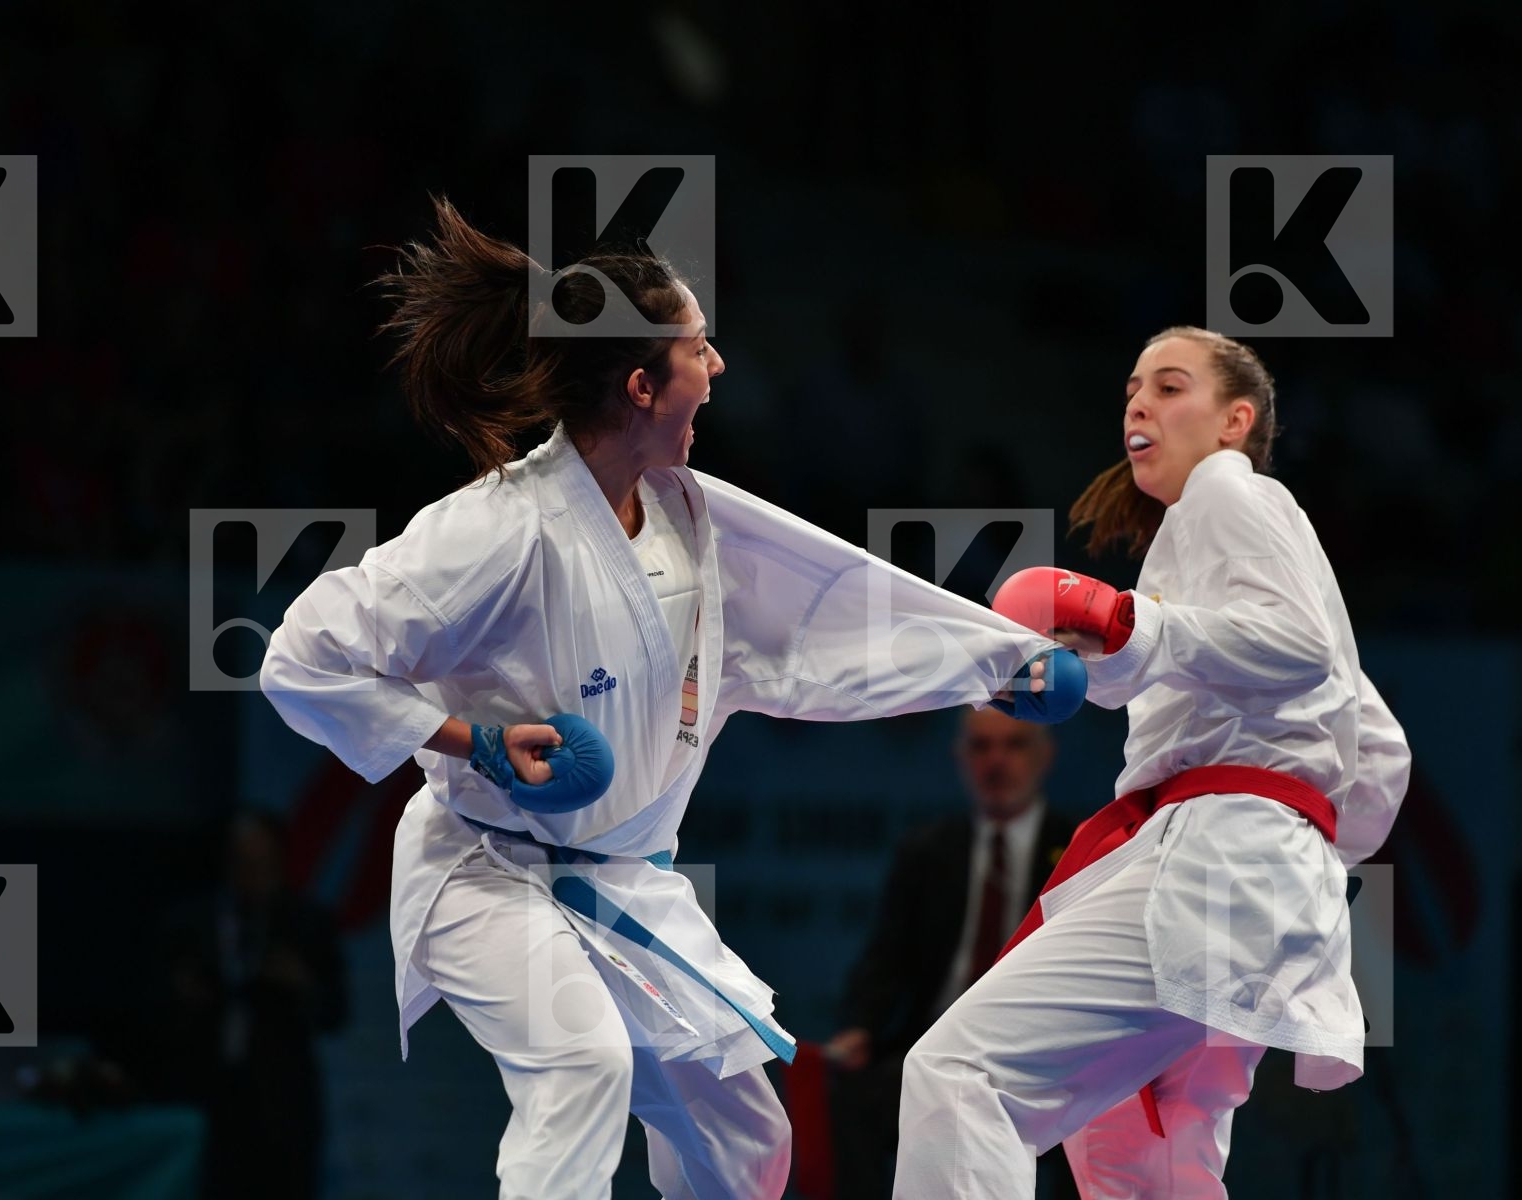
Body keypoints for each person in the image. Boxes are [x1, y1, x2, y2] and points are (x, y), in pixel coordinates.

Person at [258, 196, 1082, 1200]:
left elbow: (837, 613)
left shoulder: (693, 520)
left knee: (748, 1143)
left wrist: (998, 661)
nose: (721, 368)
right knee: (581, 1067)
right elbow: (302, 656)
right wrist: (468, 739)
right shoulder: (497, 528)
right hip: (483, 875)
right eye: (701, 349)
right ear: (645, 385)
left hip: (624, 886)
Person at [894, 327, 1411, 1198]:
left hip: (1223, 857)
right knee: (1146, 1163)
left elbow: (1297, 649)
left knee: (961, 1073)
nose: (1139, 403)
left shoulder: (1228, 492)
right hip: (1257, 871)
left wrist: (1136, 627)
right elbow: (1379, 750)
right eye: (1133, 387)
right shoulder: (1223, 541)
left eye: (1172, 387)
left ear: (1234, 421)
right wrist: (1304, 857)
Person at [826, 707, 1076, 1198]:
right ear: (960, 757)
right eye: (981, 747)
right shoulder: (927, 851)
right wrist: (860, 1028)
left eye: (1015, 745)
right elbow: (886, 960)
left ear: (1046, 755)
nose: (996, 761)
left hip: (1047, 1058)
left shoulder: (1078, 849)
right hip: (934, 1050)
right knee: (856, 1092)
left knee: (1102, 1116)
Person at [152, 811, 349, 1200]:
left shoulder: (307, 923)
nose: (253, 876)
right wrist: (182, 996)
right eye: (243, 863)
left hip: (283, 1103)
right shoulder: (189, 923)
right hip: (203, 1094)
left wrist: (304, 985)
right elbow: (148, 1008)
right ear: (226, 863)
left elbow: (337, 1012)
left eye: (263, 864)